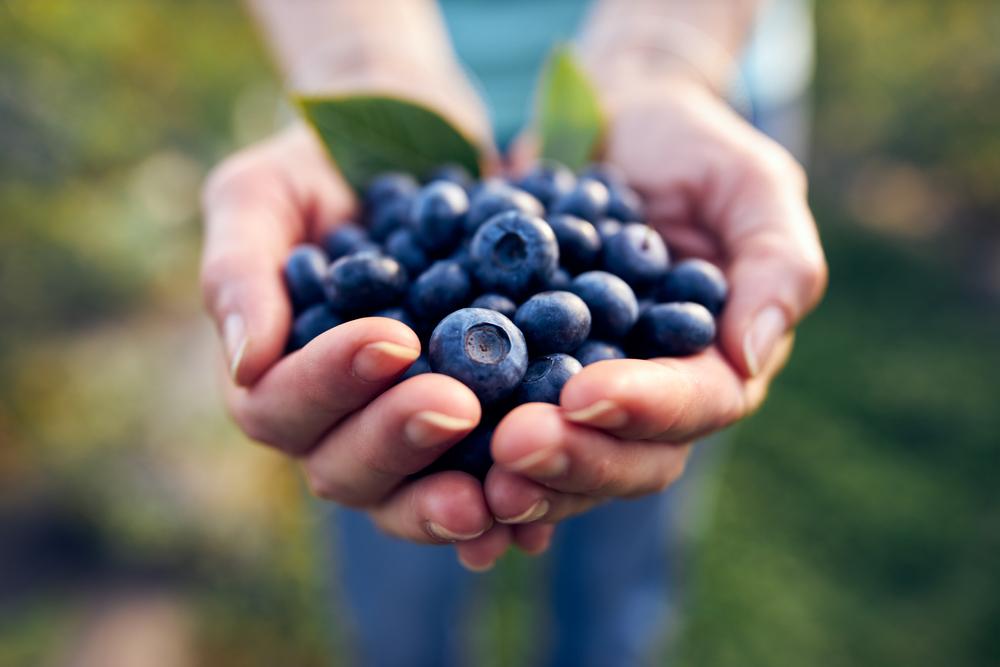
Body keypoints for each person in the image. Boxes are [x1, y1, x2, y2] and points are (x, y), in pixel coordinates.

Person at [199, 1, 827, 664]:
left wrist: (663, 55)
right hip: (369, 64)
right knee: (401, 531)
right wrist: (357, 62)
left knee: (621, 505)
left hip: (696, 82)